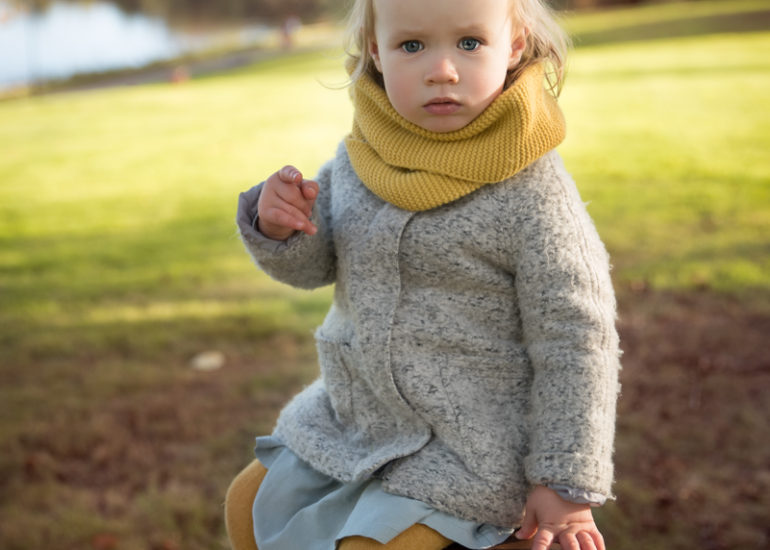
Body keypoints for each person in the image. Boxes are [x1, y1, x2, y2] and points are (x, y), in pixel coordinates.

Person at [226, 0, 621, 548]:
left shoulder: (531, 192)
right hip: (358, 418)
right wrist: (282, 227)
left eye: (469, 43)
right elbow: (315, 266)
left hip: (470, 445)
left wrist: (566, 481)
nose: (443, 70)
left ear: (513, 44)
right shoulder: (364, 157)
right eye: (412, 46)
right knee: (248, 502)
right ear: (376, 52)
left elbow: (577, 338)